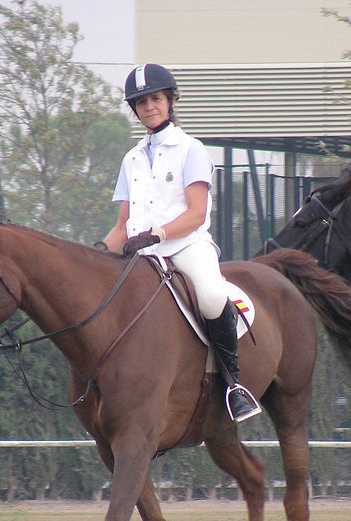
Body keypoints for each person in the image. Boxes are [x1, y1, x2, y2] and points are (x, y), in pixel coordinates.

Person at [100, 63, 261, 422]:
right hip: (142, 254)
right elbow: (122, 224)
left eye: (155, 99)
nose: (149, 107)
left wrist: (157, 234)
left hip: (186, 247)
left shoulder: (191, 150)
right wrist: (97, 252)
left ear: (170, 101)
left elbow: (196, 213)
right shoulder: (132, 159)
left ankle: (234, 384)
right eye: (141, 103)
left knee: (212, 295)